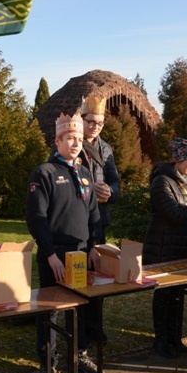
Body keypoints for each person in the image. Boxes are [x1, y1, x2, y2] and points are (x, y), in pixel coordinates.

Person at [26, 111, 103, 373]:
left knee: (82, 307)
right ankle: (48, 364)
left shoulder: (83, 173)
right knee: (50, 312)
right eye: (70, 138)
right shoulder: (44, 173)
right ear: (56, 140)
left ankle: (79, 354)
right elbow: (37, 218)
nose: (76, 143)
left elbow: (94, 213)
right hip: (54, 256)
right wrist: (49, 254)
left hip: (82, 256)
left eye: (80, 139)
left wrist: (94, 246)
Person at [142, 138, 187, 359]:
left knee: (178, 294)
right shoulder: (161, 182)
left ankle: (175, 337)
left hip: (183, 246)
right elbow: (175, 214)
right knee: (164, 294)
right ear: (177, 160)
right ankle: (161, 340)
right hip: (163, 247)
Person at [79, 95, 121, 343]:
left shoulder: (106, 149)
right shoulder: (70, 141)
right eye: (91, 121)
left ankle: (94, 328)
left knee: (98, 279)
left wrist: (110, 192)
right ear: (81, 119)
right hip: (75, 223)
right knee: (78, 280)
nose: (95, 126)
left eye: (100, 123)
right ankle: (80, 331)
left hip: (99, 222)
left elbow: (116, 182)